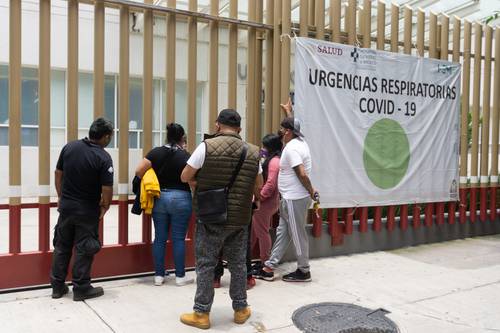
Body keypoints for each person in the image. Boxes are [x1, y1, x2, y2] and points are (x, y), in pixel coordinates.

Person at [179, 109, 262, 330]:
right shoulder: (254, 152)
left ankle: (201, 313)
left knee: (206, 264)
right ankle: (241, 309)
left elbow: (185, 176)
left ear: (217, 125)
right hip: (240, 218)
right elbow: (259, 186)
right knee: (237, 265)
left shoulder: (205, 147)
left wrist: (200, 184)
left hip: (210, 216)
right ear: (240, 130)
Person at [50, 117, 114, 301]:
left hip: (67, 208)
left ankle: (57, 286)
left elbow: (58, 173)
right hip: (86, 211)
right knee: (85, 249)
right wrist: (105, 207)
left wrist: (62, 197)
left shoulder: (70, 147)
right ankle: (81, 287)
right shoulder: (103, 157)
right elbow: (107, 189)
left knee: (62, 246)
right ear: (106, 136)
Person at [256, 99, 319, 283]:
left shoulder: (291, 149)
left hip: (294, 198)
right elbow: (291, 127)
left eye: (283, 129)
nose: (280, 132)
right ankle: (269, 266)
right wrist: (289, 113)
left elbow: (302, 173)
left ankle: (304, 270)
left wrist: (311, 190)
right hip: (290, 199)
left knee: (298, 234)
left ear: (289, 132)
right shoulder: (299, 142)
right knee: (283, 233)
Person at [134, 123, 194, 287]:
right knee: (178, 239)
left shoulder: (156, 153)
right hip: (181, 198)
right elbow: (193, 179)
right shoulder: (186, 156)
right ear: (182, 138)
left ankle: (159, 276)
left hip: (159, 198)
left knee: (159, 238)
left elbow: (139, 170)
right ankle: (180, 277)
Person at [251, 134, 282, 273]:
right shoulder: (272, 160)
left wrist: (259, 197)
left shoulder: (274, 162)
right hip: (268, 202)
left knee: (262, 232)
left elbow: (270, 184)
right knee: (255, 230)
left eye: (264, 146)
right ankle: (255, 259)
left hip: (266, 203)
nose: (262, 149)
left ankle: (265, 262)